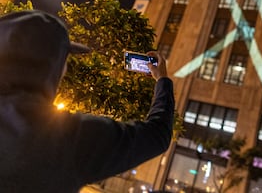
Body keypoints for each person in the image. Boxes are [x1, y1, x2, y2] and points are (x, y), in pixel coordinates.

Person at [0, 10, 175, 192]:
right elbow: (157, 135)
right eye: (64, 60)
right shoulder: (69, 137)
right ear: (54, 67)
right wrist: (162, 79)